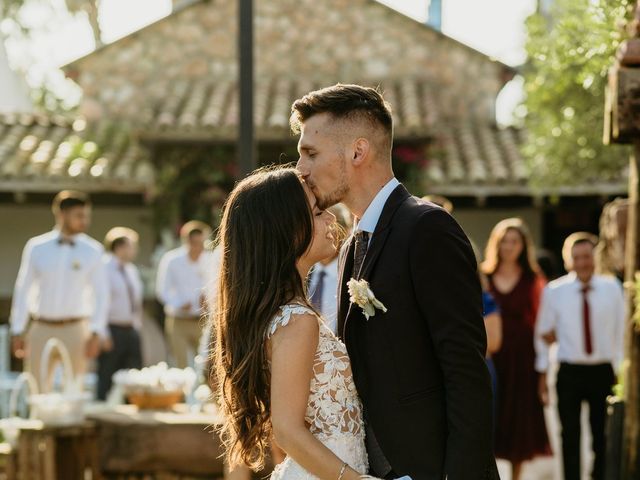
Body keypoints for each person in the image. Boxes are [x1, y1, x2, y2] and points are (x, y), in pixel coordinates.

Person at [293, 84, 497, 479]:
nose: (300, 169)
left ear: (357, 151)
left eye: (311, 154)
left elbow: (465, 368)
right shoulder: (352, 245)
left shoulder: (428, 228)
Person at [212, 167, 375, 479]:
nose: (331, 220)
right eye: (318, 212)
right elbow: (287, 431)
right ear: (287, 230)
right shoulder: (297, 320)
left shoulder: (286, 313)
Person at [535, 232, 625, 480]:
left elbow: (621, 334)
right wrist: (542, 370)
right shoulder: (555, 291)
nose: (582, 262)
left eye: (587, 256)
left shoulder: (612, 288)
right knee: (569, 435)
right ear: (568, 261)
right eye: (577, 258)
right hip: (569, 371)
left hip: (603, 371)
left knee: (602, 434)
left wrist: (620, 372)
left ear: (594, 257)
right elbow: (543, 332)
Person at [9, 190, 108, 391]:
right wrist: (18, 329)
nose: (85, 221)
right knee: (36, 389)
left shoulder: (93, 250)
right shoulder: (37, 247)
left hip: (76, 328)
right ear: (62, 214)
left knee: (74, 389)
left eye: (86, 216)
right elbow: (23, 289)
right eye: (79, 216)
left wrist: (97, 331)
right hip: (41, 326)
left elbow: (101, 294)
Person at [482, 218, 551, 480]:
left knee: (519, 418)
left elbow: (541, 321)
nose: (509, 247)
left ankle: (517, 476)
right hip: (491, 355)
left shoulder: (534, 280)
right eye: (504, 241)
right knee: (490, 417)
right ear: (496, 245)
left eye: (515, 241)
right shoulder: (483, 276)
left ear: (524, 246)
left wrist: (543, 373)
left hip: (522, 359)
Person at [156, 220, 215, 369]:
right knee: (180, 365)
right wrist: (178, 304)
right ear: (186, 241)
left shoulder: (210, 259)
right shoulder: (172, 260)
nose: (199, 247)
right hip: (178, 320)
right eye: (195, 243)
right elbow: (162, 290)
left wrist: (209, 300)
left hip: (204, 321)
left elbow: (216, 286)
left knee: (207, 366)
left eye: (201, 243)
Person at [97, 227, 144, 401]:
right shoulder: (104, 269)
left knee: (133, 373)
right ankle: (102, 407)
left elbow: (136, 301)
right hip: (112, 328)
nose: (134, 250)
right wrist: (103, 334)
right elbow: (100, 302)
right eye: (132, 246)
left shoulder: (131, 270)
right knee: (107, 373)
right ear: (120, 247)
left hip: (130, 329)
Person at [308, 203, 352, 334]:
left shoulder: (351, 275)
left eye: (334, 224)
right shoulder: (303, 272)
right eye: (318, 216)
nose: (329, 228)